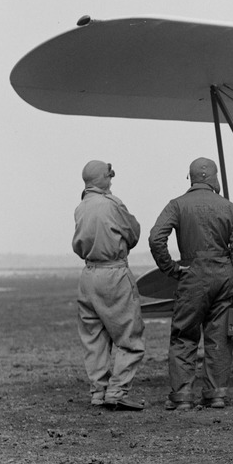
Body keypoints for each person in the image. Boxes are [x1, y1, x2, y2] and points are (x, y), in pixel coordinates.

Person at [149, 157, 233, 409]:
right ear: (214, 178)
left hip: (192, 275)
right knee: (219, 337)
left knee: (184, 335)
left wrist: (171, 268)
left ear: (191, 178)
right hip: (224, 276)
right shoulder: (229, 208)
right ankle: (216, 394)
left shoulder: (177, 205)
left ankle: (182, 396)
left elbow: (155, 238)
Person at [71, 160, 146, 410]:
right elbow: (133, 233)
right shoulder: (113, 204)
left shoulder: (80, 207)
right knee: (129, 335)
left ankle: (98, 392)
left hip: (88, 276)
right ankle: (117, 391)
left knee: (94, 338)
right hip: (113, 273)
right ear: (101, 179)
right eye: (109, 176)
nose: (111, 180)